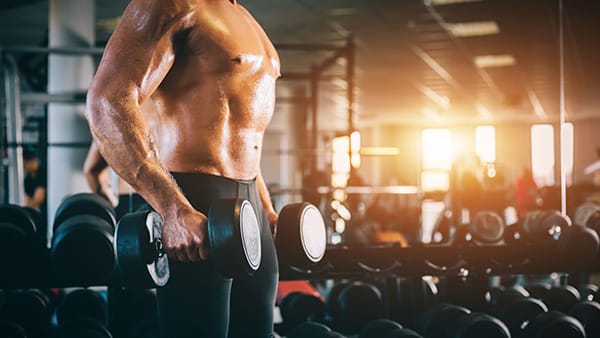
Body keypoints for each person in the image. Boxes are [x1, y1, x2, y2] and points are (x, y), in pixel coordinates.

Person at [86, 1, 280, 337]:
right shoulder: (170, 4)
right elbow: (107, 101)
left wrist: (264, 204)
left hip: (250, 208)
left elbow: (245, 130)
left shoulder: (244, 15)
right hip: (194, 204)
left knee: (256, 331)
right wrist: (173, 209)